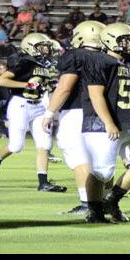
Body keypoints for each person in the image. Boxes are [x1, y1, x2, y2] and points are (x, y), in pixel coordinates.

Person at [75, 23, 130, 223]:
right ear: (109, 40)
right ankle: (94, 212)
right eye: (126, 40)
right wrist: (108, 122)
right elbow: (95, 94)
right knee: (102, 171)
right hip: (101, 125)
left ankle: (112, 200)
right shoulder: (98, 60)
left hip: (129, 124)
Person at [0, 33, 65, 192]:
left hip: (40, 106)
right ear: (31, 48)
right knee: (16, 146)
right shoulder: (25, 63)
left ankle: (43, 182)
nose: (46, 50)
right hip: (21, 105)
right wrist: (27, 84)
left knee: (44, 144)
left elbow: (42, 86)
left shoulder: (45, 65)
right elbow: (1, 81)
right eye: (42, 46)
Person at [41, 21, 105, 217]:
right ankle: (101, 201)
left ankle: (88, 203)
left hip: (77, 112)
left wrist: (50, 112)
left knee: (79, 159)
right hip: (102, 113)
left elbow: (65, 87)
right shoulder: (107, 57)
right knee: (97, 161)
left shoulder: (75, 55)